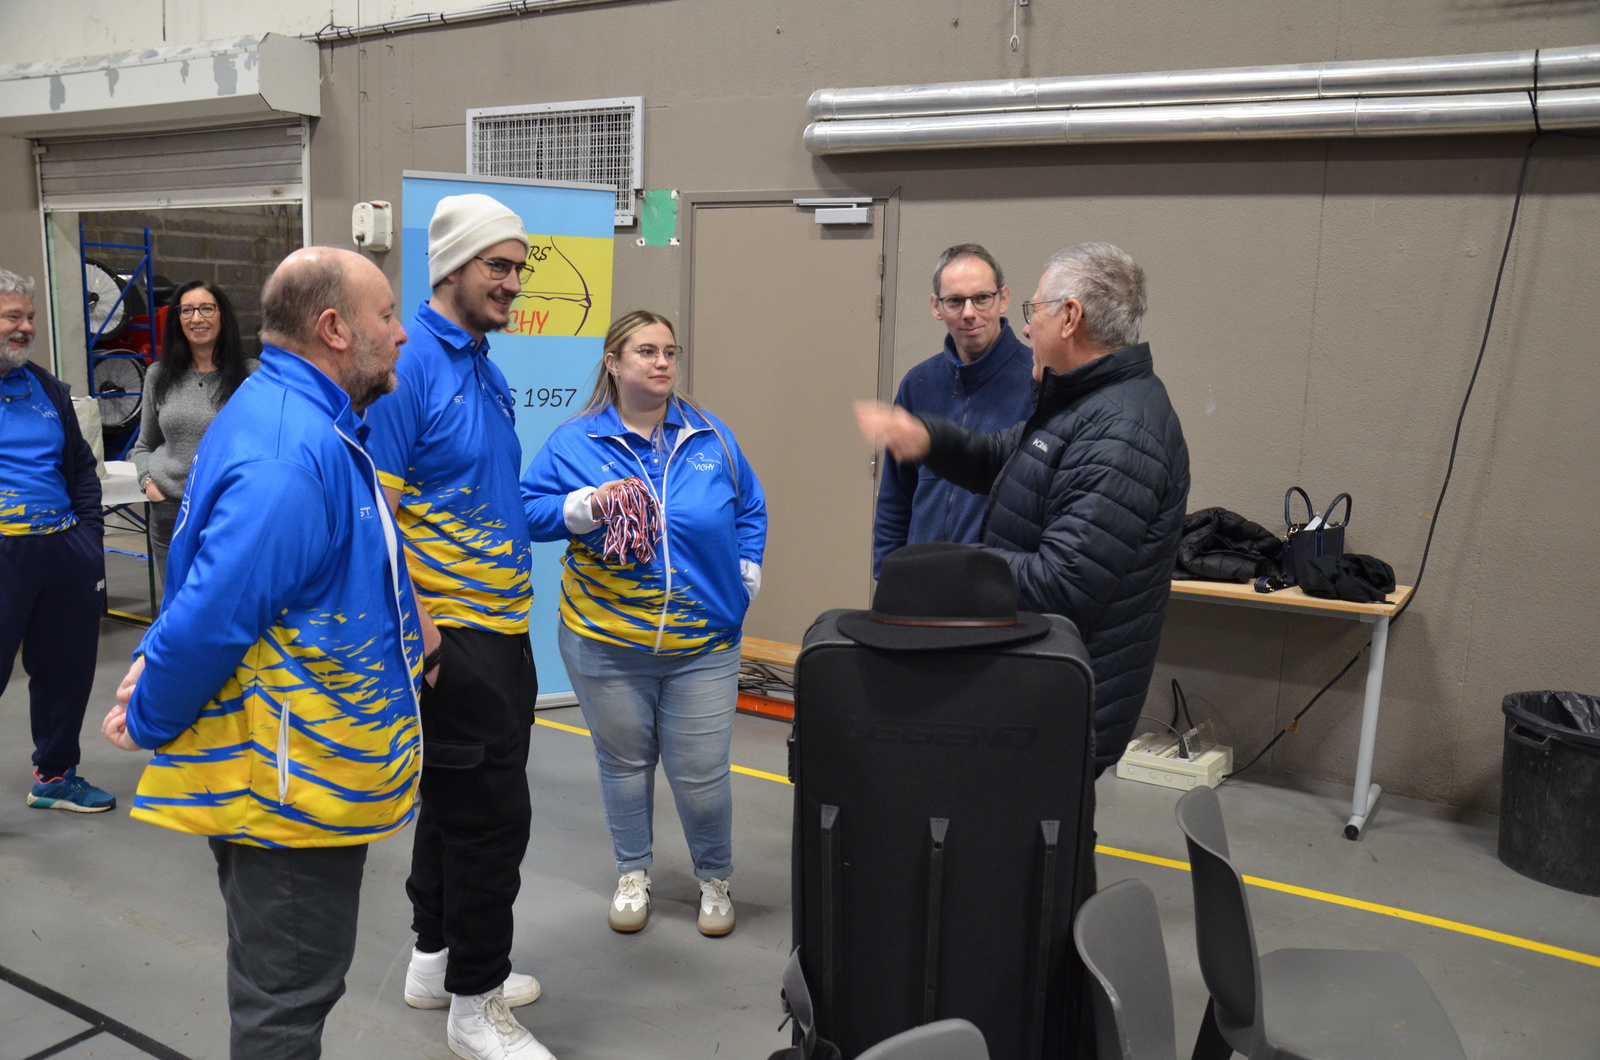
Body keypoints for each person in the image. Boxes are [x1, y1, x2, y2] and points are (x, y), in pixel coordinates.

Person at [100, 246, 424, 1060]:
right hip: (289, 788)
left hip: (298, 763)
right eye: (387, 316)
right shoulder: (289, 449)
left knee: (286, 986)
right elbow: (216, 612)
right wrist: (152, 711)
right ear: (334, 328)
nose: (401, 334)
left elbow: (224, 575)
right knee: (287, 999)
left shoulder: (288, 415)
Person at [855, 243, 1189, 774]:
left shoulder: (1121, 432)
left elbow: (1063, 581)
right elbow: (1001, 457)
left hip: (1061, 694)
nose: (1028, 327)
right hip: (1035, 671)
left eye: (1036, 310)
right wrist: (929, 440)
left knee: (1025, 819)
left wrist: (947, 569)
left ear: (1070, 318)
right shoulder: (1081, 405)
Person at [362, 193, 554, 1060]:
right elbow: (376, 519)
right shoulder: (408, 369)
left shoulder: (481, 364)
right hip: (455, 634)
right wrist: (428, 635)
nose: (512, 282)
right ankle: (476, 1005)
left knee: (451, 807)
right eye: (497, 266)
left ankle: (434, 962)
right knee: (493, 823)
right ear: (451, 268)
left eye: (517, 267)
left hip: (502, 628)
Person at [521, 310, 767, 938]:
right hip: (604, 642)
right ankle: (633, 872)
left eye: (670, 352)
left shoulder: (710, 437)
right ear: (613, 363)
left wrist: (745, 573)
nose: (662, 363)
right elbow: (526, 510)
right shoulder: (576, 441)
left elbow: (750, 508)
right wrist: (586, 506)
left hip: (702, 644)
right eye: (646, 351)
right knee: (625, 766)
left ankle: (714, 878)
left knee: (702, 775)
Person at [0, 267, 114, 813]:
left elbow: (82, 470)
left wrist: (89, 537)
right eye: (12, 317)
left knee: (65, 672)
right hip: (5, 553)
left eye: (29, 317)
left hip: (63, 550)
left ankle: (55, 776)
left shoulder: (45, 388)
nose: (25, 327)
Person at [872, 244, 1034, 577]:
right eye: (955, 301)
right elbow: (896, 495)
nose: (969, 312)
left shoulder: (1037, 379)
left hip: (1000, 583)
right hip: (921, 578)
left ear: (1003, 299)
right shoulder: (918, 384)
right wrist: (887, 573)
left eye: (982, 298)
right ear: (937, 306)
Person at [129, 280, 258, 596]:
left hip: (228, 510)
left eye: (206, 308)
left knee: (225, 601)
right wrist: (150, 485)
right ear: (177, 319)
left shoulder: (251, 375)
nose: (196, 318)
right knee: (177, 605)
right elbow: (144, 445)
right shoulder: (159, 375)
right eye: (186, 310)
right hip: (170, 510)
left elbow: (262, 448)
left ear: (222, 315)